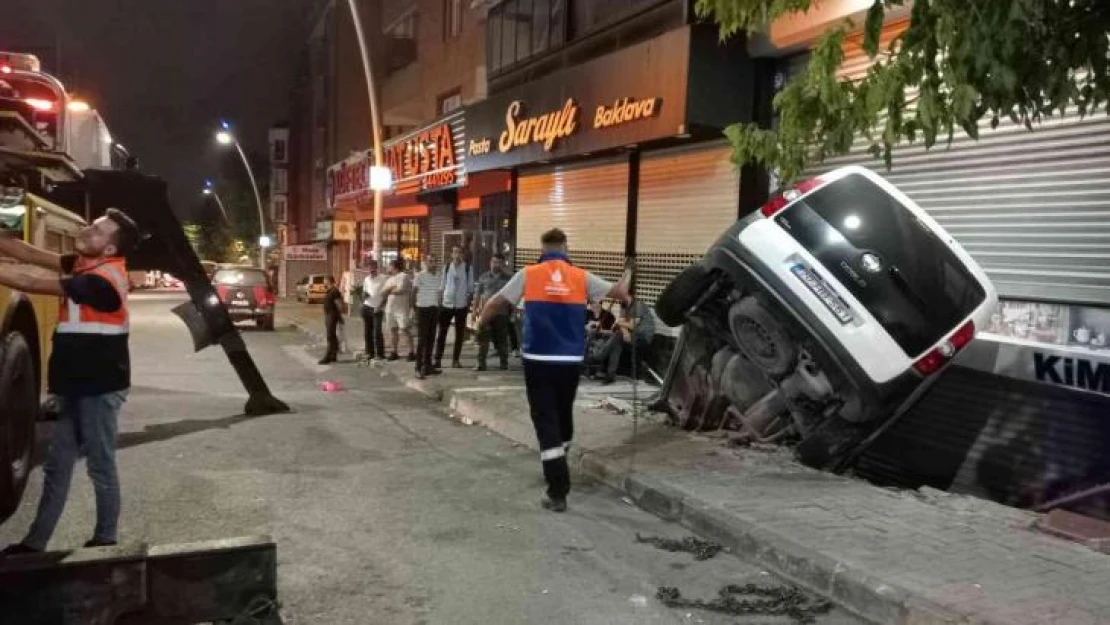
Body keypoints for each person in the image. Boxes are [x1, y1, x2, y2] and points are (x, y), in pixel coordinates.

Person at [0, 208, 140, 555]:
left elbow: (30, 282)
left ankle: (105, 542)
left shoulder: (101, 281)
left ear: (109, 249)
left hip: (100, 388)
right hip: (76, 384)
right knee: (57, 465)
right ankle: (35, 543)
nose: (86, 230)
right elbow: (32, 255)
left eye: (96, 231)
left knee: (100, 464)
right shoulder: (84, 263)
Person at [478, 228, 628, 512]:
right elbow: (619, 293)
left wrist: (480, 326)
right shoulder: (581, 277)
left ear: (543, 247)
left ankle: (557, 489)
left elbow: (495, 303)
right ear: (565, 248)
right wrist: (624, 284)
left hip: (538, 359)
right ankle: (559, 455)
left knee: (545, 419)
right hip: (570, 361)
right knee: (562, 413)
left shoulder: (529, 274)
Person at [595, 299, 655, 384]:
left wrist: (621, 325)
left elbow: (632, 325)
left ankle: (599, 356)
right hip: (631, 335)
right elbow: (620, 323)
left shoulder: (638, 306)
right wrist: (625, 331)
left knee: (617, 337)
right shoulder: (623, 306)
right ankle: (610, 375)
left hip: (643, 337)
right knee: (616, 342)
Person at [435, 245, 473, 369]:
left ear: (462, 254)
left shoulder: (467, 268)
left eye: (459, 252)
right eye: (455, 252)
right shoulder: (446, 267)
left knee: (459, 334)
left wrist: (467, 305)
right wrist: (439, 303)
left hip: (461, 305)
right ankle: (438, 359)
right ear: (451, 254)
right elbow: (441, 286)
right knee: (442, 333)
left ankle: (455, 360)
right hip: (446, 304)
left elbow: (470, 288)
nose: (457, 255)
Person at [473, 253, 512, 371]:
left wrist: (514, 312)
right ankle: (481, 363)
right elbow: (477, 295)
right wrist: (475, 310)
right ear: (490, 262)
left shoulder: (508, 278)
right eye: (494, 262)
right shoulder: (483, 277)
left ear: (502, 263)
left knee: (501, 339)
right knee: (483, 339)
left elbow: (512, 296)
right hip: (485, 313)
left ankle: (504, 363)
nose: (496, 265)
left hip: (501, 313)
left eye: (499, 262)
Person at [412, 254, 443, 379]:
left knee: (431, 338)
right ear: (426, 262)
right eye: (430, 261)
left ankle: (428, 365)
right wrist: (413, 308)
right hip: (422, 309)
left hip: (434, 309)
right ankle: (418, 367)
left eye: (434, 261)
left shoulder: (439, 276)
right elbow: (413, 293)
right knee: (422, 339)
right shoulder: (420, 276)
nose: (433, 263)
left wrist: (439, 306)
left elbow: (439, 292)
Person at [382, 259, 416, 362]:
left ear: (394, 267)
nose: (388, 268)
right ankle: (394, 351)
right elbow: (383, 292)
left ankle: (411, 352)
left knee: (405, 329)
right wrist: (391, 289)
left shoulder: (403, 276)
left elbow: (400, 290)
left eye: (389, 266)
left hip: (401, 309)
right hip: (390, 308)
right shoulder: (389, 279)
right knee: (393, 330)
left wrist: (389, 290)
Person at [360, 261, 387, 362]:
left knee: (377, 332)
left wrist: (381, 306)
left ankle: (380, 354)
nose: (371, 270)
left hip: (377, 308)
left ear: (377, 268)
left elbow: (386, 294)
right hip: (367, 307)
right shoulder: (366, 279)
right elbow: (364, 292)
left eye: (373, 268)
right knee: (367, 332)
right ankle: (369, 353)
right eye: (369, 268)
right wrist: (363, 296)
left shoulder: (383, 278)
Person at [319, 275, 343, 364]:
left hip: (332, 316)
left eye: (324, 280)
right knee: (332, 336)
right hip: (328, 315)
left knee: (330, 335)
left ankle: (328, 356)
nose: (323, 282)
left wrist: (339, 316)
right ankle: (333, 355)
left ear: (328, 281)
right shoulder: (329, 291)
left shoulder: (335, 291)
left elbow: (339, 305)